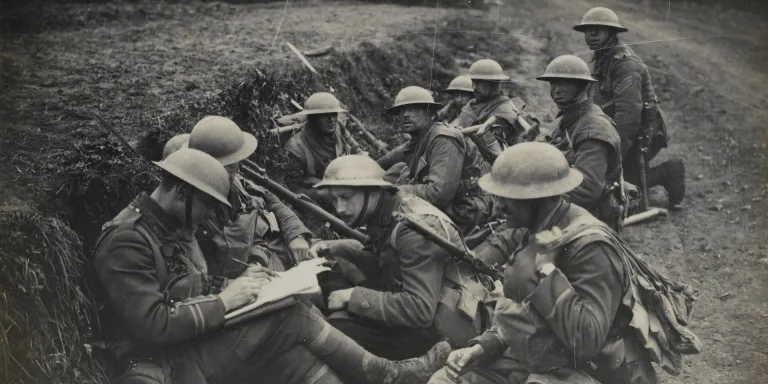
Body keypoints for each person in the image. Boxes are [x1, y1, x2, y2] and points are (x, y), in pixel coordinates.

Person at [91, 147, 451, 384]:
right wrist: (226, 300)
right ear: (182, 193)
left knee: (293, 346)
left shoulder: (169, 226)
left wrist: (240, 285)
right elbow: (152, 325)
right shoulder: (127, 239)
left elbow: (190, 287)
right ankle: (386, 375)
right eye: (206, 208)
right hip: (162, 365)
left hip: (191, 342)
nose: (204, 221)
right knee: (289, 315)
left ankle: (382, 375)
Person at [428, 142, 659, 384]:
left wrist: (546, 275)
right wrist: (483, 347)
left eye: (508, 198)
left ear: (540, 199)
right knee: (446, 380)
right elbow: (525, 315)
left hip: (593, 372)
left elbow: (589, 340)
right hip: (542, 359)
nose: (498, 206)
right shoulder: (534, 230)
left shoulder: (591, 248)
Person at [312, 155, 493, 360]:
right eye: (334, 199)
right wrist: (337, 248)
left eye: (346, 197)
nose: (339, 209)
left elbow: (420, 310)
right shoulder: (386, 211)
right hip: (428, 305)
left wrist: (352, 297)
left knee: (338, 327)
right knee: (331, 270)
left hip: (446, 328)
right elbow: (383, 259)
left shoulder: (412, 228)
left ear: (373, 192)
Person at [574, 7, 685, 210]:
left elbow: (629, 117)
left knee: (621, 182)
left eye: (599, 29)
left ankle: (671, 171)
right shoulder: (603, 58)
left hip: (641, 133)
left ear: (612, 33)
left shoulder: (625, 65)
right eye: (588, 29)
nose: (592, 34)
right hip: (619, 130)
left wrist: (613, 155)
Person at [181, 116, 312, 275]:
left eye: (232, 164)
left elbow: (272, 202)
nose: (230, 172)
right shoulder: (195, 206)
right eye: (226, 166)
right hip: (250, 272)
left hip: (273, 250)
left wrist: (295, 234)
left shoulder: (238, 184)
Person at [375, 86, 495, 234]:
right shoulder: (419, 138)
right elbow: (387, 159)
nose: (405, 115)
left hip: (465, 209)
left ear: (429, 113)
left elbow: (438, 194)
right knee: (398, 171)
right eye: (402, 110)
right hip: (452, 205)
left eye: (413, 109)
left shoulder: (443, 139)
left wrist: (395, 191)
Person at [537, 55, 625, 230]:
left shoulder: (593, 128)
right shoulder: (573, 118)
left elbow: (586, 190)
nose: (557, 90)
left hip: (591, 220)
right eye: (553, 83)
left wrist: (536, 197)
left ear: (583, 87)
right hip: (573, 208)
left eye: (565, 83)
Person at [284, 92, 366, 209]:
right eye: (324, 115)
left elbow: (357, 151)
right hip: (321, 204)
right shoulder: (296, 149)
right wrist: (321, 194)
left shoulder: (338, 128)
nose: (331, 119)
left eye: (334, 114)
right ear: (311, 118)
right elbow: (292, 191)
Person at [454, 59, 526, 163]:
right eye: (473, 82)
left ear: (494, 84)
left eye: (479, 83)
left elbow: (495, 148)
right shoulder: (471, 105)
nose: (474, 87)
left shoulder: (505, 110)